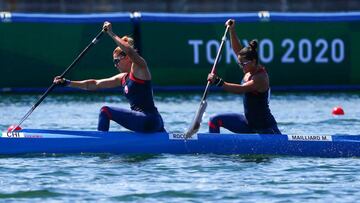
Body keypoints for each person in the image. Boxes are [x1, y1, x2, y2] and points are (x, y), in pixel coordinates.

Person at [54, 21, 164, 133]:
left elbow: (130, 51)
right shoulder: (123, 78)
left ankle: (99, 144)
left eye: (116, 61)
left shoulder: (140, 67)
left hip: (148, 119)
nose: (115, 64)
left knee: (105, 111)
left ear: (127, 58)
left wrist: (111, 33)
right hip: (154, 122)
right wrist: (67, 82)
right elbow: (95, 84)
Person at [207, 19, 281, 134]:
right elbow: (238, 51)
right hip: (248, 124)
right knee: (214, 120)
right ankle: (214, 149)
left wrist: (218, 82)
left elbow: (241, 89)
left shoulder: (261, 77)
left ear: (254, 61)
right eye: (239, 64)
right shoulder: (248, 68)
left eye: (244, 64)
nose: (241, 67)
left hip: (265, 129)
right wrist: (232, 30)